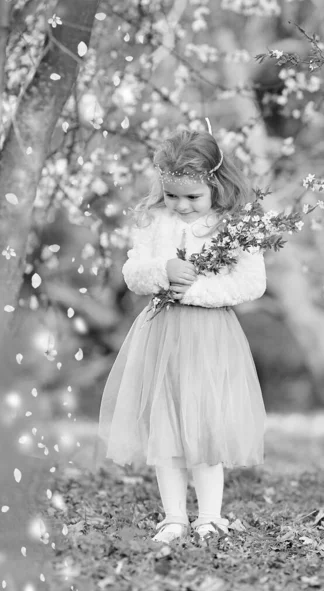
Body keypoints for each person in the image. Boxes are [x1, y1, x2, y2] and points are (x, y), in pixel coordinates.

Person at [98, 127, 267, 543]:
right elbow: (133, 272)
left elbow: (251, 282)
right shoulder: (153, 221)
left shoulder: (233, 226)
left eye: (193, 197)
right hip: (161, 334)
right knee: (166, 424)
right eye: (173, 195)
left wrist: (195, 290)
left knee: (205, 424)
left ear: (216, 184)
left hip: (210, 335)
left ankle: (209, 516)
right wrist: (162, 272)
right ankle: (173, 516)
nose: (182, 205)